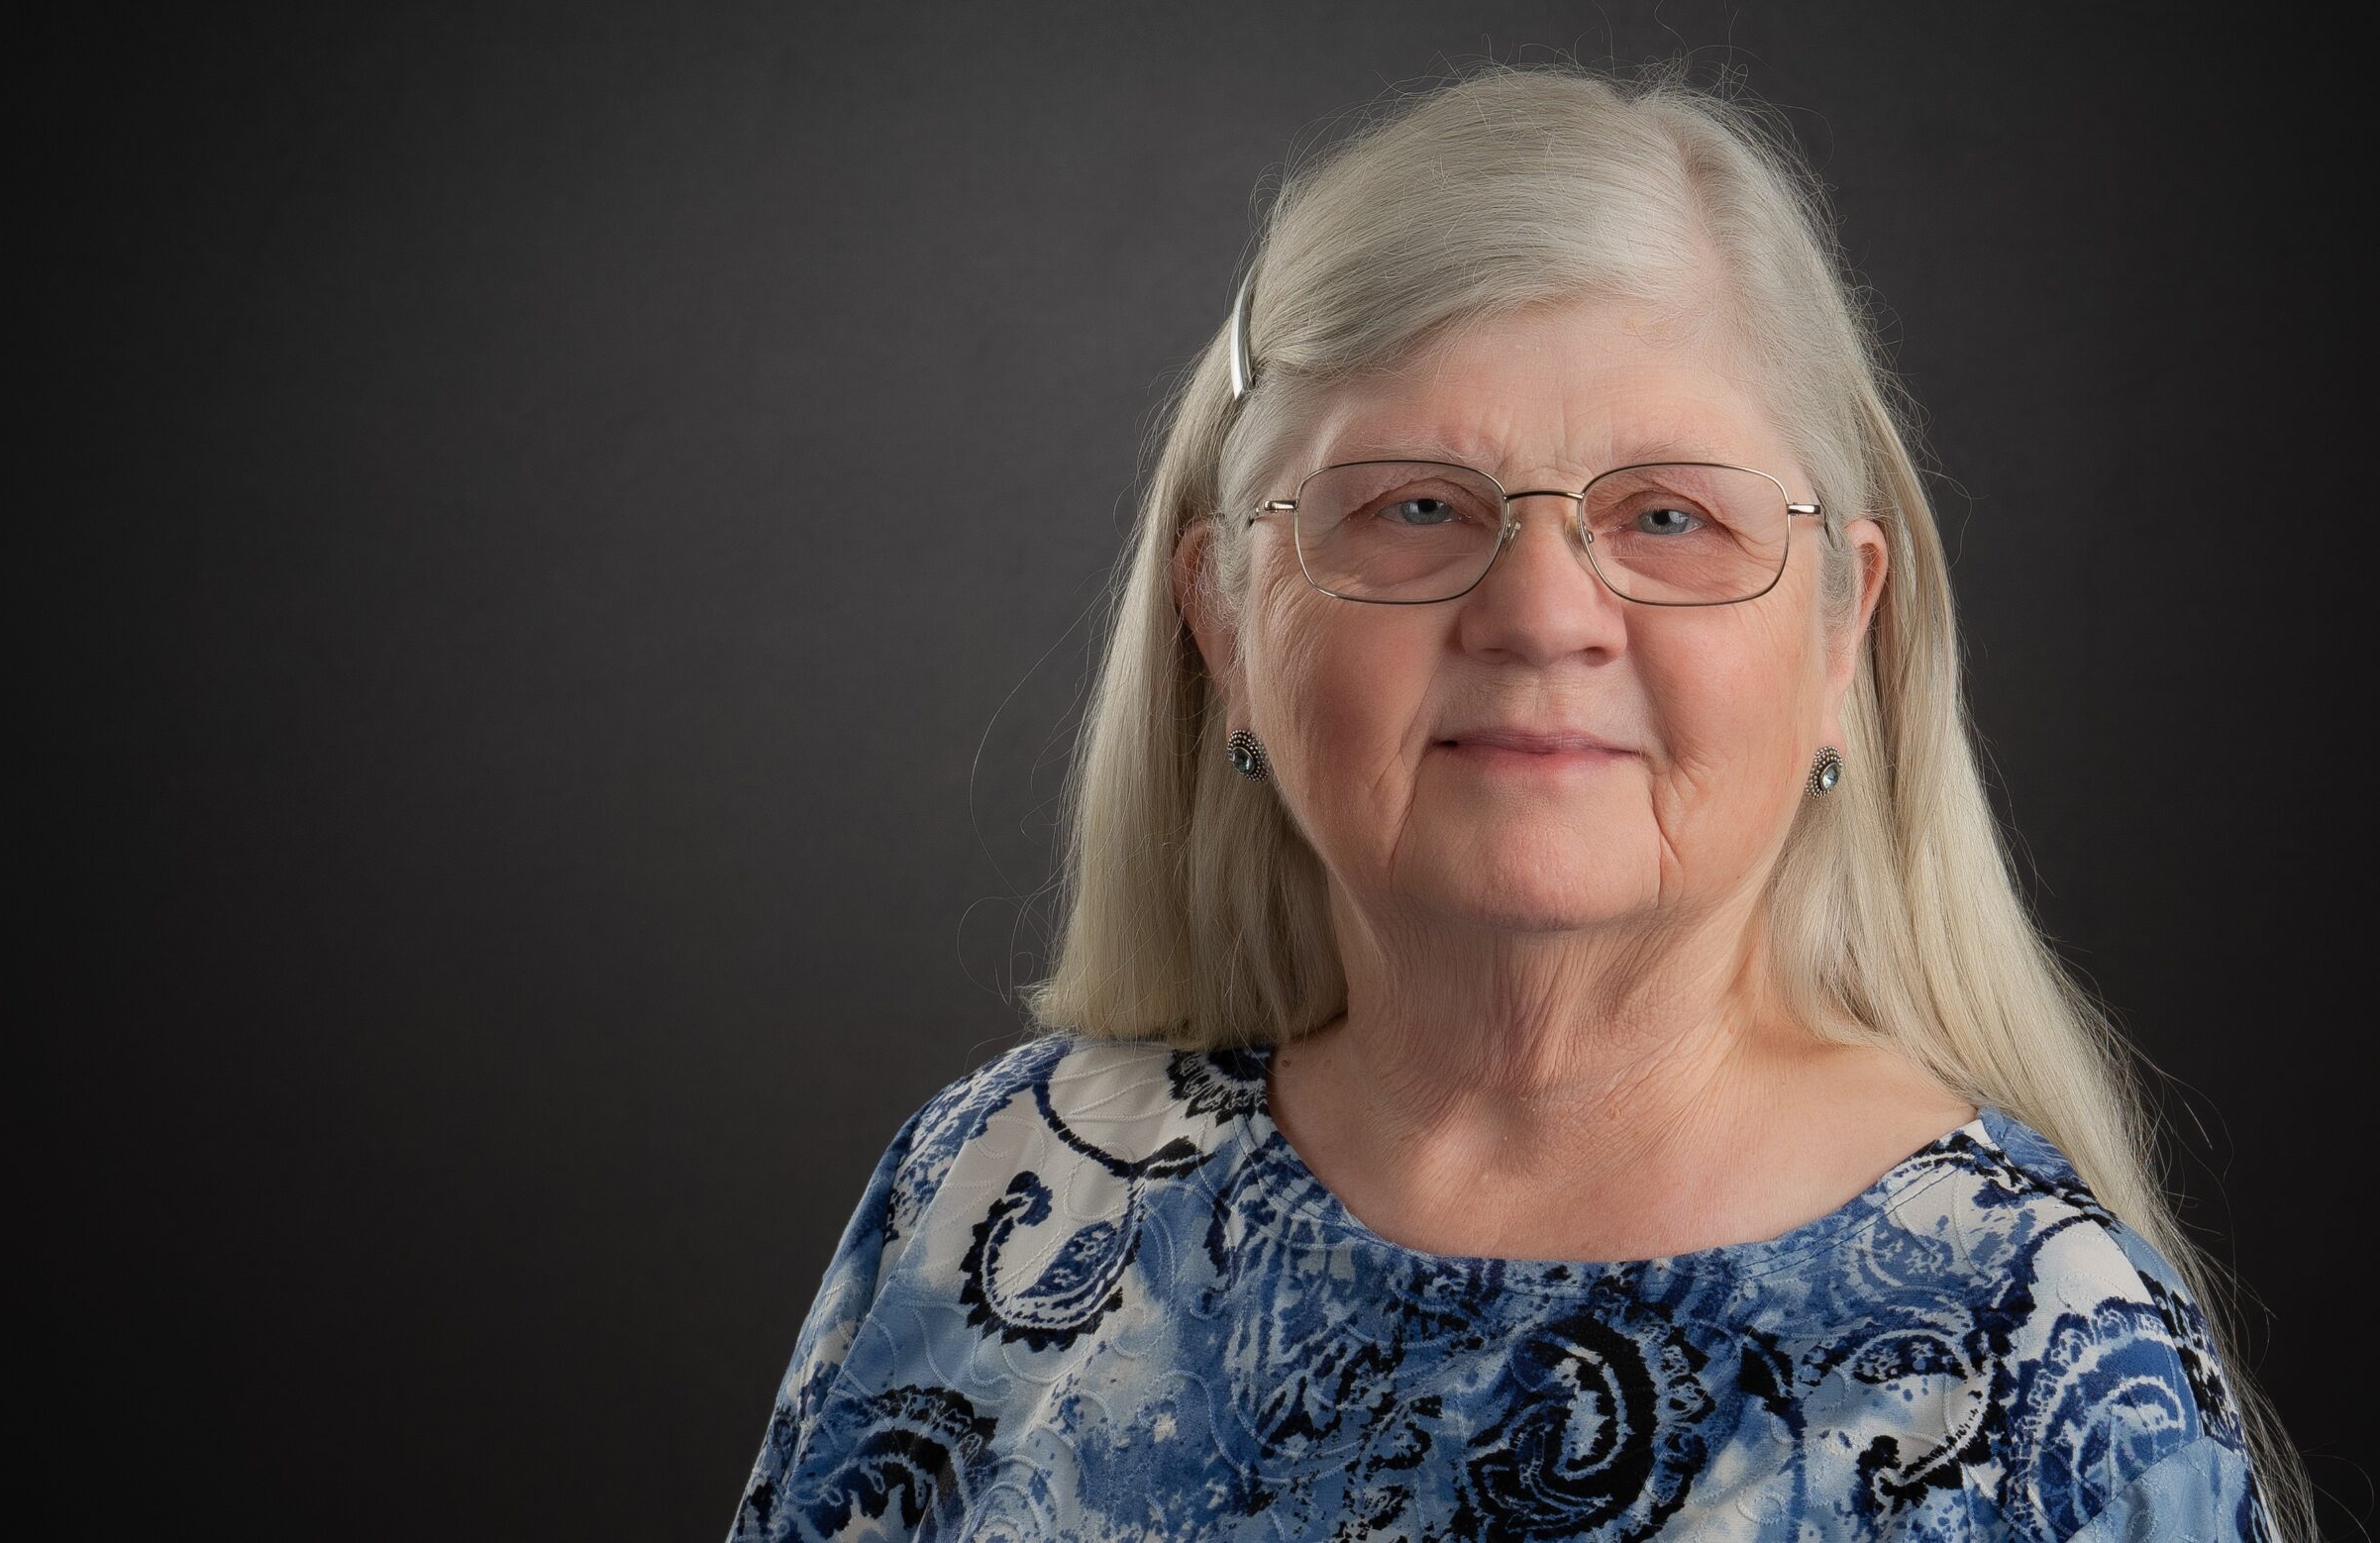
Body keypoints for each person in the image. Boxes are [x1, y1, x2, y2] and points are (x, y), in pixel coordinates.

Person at [726, 61, 2311, 1542]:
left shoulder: (2035, 1351)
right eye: (1417, 505)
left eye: (1671, 515)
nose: (1544, 613)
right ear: (1222, 619)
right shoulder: (999, 1182)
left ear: (1845, 634)